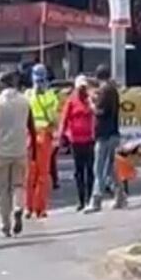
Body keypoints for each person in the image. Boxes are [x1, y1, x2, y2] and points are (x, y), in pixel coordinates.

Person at [0, 71, 36, 237]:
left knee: (1, 189)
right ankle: (19, 207)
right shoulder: (25, 102)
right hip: (20, 150)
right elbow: (32, 129)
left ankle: (5, 225)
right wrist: (33, 149)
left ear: (2, 85)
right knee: (18, 185)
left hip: (1, 152)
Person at [85, 64, 124, 212]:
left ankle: (96, 200)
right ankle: (120, 196)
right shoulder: (112, 90)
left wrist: (91, 104)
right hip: (112, 133)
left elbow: (100, 111)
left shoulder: (105, 90)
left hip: (104, 135)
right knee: (109, 168)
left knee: (99, 168)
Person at [25, 64, 59, 218]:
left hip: (30, 135)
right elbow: (53, 118)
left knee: (31, 174)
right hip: (43, 134)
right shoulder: (51, 96)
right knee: (42, 174)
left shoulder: (27, 95)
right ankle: (39, 208)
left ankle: (29, 208)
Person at [59, 74, 95, 210]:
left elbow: (96, 114)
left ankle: (90, 198)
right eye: (80, 88)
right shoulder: (71, 101)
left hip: (89, 140)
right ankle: (81, 201)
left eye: (84, 88)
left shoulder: (90, 100)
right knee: (79, 171)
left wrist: (91, 101)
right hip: (76, 141)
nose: (82, 90)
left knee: (90, 170)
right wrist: (61, 136)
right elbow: (64, 118)